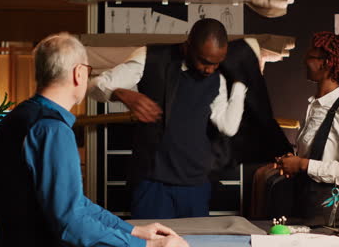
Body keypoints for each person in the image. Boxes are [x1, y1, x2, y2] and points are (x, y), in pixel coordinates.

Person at [0, 33, 189, 247]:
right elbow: (71, 222)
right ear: (79, 73)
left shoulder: (20, 115)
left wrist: (135, 231)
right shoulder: (52, 129)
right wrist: (148, 246)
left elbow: (76, 205)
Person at [88, 19, 248, 219]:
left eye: (216, 63)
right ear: (187, 46)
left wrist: (241, 85)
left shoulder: (218, 76)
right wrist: (120, 93)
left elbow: (228, 126)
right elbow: (95, 86)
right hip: (152, 183)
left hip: (196, 185)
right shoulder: (150, 57)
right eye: (205, 61)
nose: (210, 69)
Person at [276, 31, 339, 225]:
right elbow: (317, 154)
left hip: (329, 212)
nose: (304, 62)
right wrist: (292, 162)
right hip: (306, 205)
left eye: (309, 57)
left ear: (326, 63)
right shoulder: (316, 105)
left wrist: (302, 164)